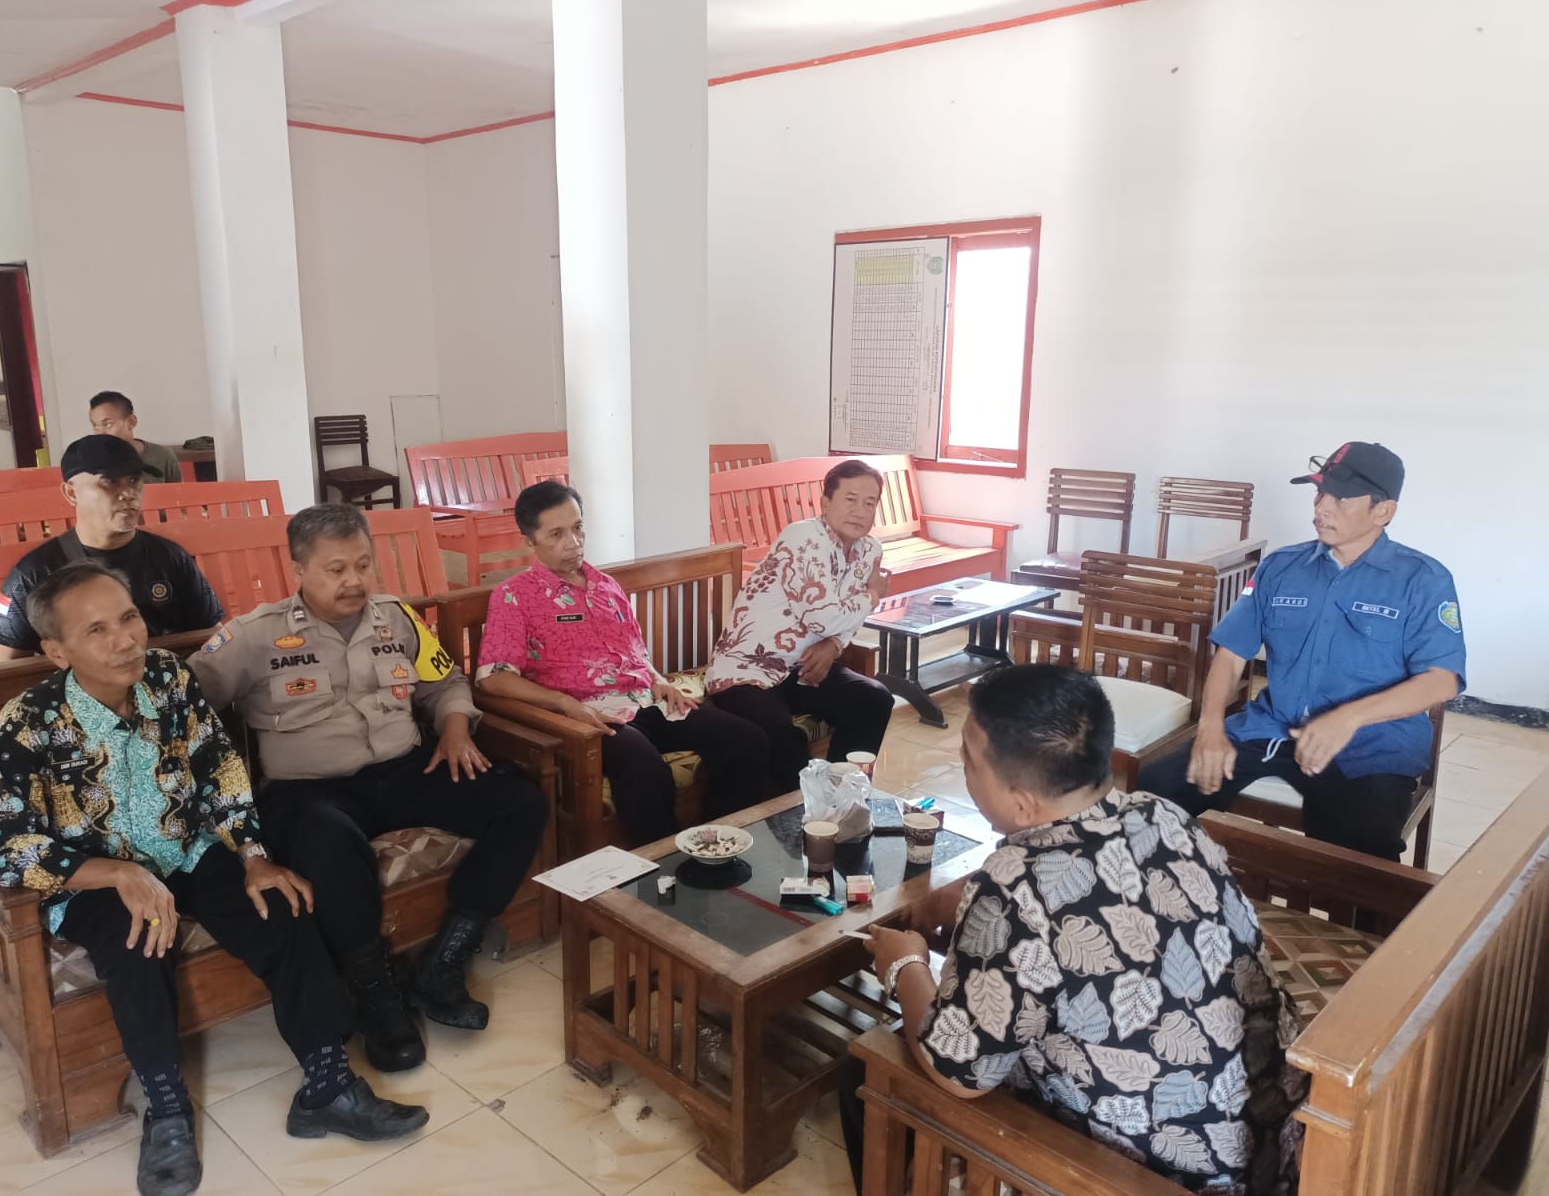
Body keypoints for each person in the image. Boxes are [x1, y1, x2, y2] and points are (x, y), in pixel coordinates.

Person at [0, 562, 427, 1196]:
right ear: (57, 651)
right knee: (136, 941)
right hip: (93, 874)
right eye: (97, 630)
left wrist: (254, 854)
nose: (125, 640)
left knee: (282, 906)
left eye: (129, 617)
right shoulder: (29, 721)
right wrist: (115, 872)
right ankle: (167, 1112)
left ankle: (328, 1086)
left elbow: (220, 768)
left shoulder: (168, 678)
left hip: (184, 849)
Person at [849, 664, 1306, 1195]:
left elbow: (958, 1072)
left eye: (969, 759)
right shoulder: (1163, 815)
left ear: (1023, 803)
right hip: (1270, 1147)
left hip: (1161, 1178)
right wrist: (975, 902)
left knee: (863, 1071)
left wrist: (904, 963)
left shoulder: (1015, 887)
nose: (961, 765)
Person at [189, 503, 548, 1074]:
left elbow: (445, 680)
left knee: (519, 803)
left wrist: (455, 728)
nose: (354, 580)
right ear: (298, 570)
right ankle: (376, 994)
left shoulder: (396, 618)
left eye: (362, 564)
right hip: (309, 790)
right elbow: (183, 704)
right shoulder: (253, 635)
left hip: (403, 769)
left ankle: (444, 961)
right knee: (328, 844)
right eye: (336, 569)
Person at [1139, 442, 1464, 861]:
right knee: (1155, 791)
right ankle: (1183, 892)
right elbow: (1232, 654)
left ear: (1383, 511)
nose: (1321, 507)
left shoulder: (1422, 580)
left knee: (1357, 858)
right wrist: (1210, 726)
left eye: (1340, 498)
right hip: (1272, 728)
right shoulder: (1281, 567)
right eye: (1320, 493)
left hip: (1371, 746)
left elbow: (1442, 680)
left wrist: (1348, 718)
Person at [475, 481, 771, 844]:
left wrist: (659, 679)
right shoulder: (514, 597)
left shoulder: (605, 586)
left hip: (646, 701)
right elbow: (493, 678)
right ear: (529, 540)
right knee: (644, 768)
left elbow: (635, 651)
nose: (573, 542)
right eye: (556, 534)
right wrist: (563, 703)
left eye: (578, 527)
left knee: (747, 740)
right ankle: (663, 865)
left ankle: (715, 846)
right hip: (589, 719)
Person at [706, 458, 895, 793]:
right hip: (747, 669)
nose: (860, 512)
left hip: (802, 667)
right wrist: (873, 595)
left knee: (874, 698)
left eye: (870, 503)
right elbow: (824, 616)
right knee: (778, 734)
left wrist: (834, 645)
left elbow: (846, 617)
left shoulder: (870, 550)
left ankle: (843, 795)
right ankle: (807, 811)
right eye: (850, 499)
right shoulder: (803, 538)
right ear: (825, 503)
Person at [0, 434, 224, 662]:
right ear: (71, 493)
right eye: (110, 481)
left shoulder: (170, 557)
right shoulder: (33, 575)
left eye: (134, 481)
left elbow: (214, 640)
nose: (128, 494)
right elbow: (4, 673)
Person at [89, 391, 183, 483]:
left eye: (108, 424)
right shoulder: (90, 461)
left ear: (131, 422)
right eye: (95, 425)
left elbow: (179, 491)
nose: (100, 433)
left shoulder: (163, 456)